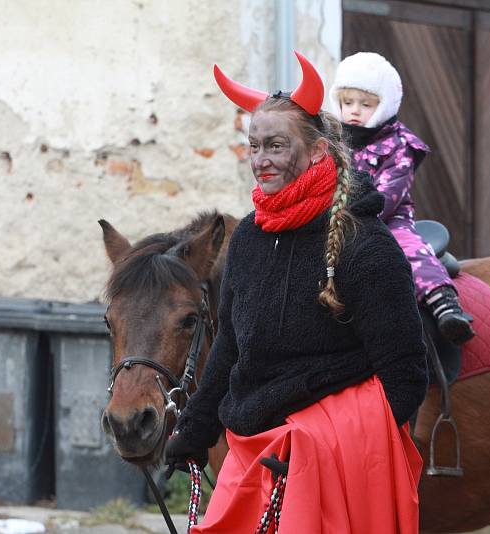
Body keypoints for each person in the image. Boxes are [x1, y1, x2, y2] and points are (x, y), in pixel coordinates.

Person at [164, 52, 427, 533]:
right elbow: (230, 347)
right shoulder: (247, 238)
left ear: (318, 153)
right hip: (253, 451)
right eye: (254, 147)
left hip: (331, 469)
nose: (261, 161)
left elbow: (406, 376)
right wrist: (196, 429)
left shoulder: (364, 246)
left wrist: (329, 451)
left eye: (277, 146)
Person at [329, 52, 475, 345]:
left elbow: (387, 194)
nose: (354, 111)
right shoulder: (332, 143)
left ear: (384, 105)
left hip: (386, 218)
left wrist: (347, 215)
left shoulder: (400, 145)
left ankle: (443, 302)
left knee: (408, 249)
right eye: (347, 103)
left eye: (366, 104)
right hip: (335, 220)